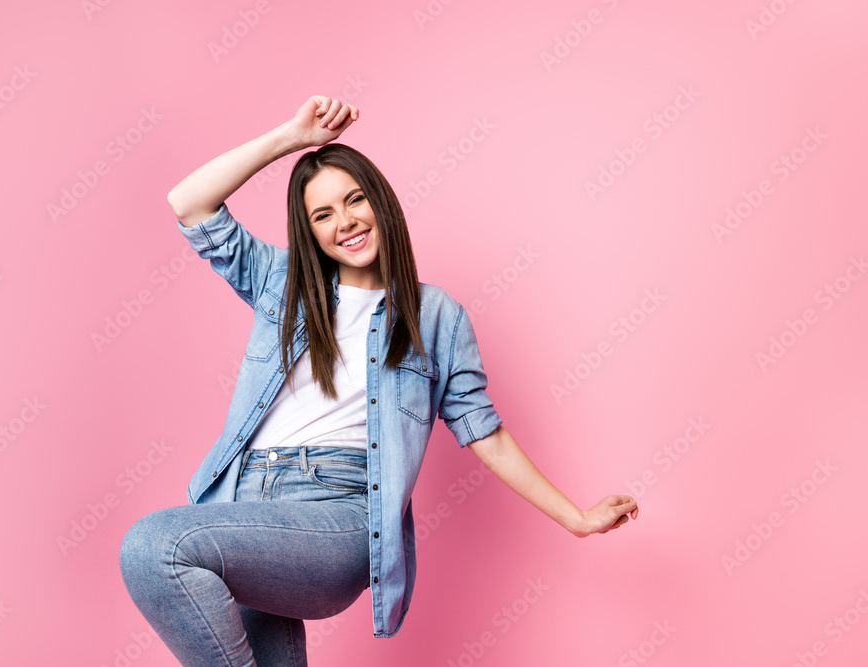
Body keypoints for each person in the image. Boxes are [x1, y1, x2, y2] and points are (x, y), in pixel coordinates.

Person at [118, 94, 639, 667]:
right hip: (243, 505)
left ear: (379, 201)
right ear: (310, 231)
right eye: (322, 215)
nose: (344, 222)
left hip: (340, 515)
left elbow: (483, 431)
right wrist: (291, 139)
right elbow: (188, 203)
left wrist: (578, 518)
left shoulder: (434, 314)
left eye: (354, 200)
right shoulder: (281, 282)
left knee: (153, 547)